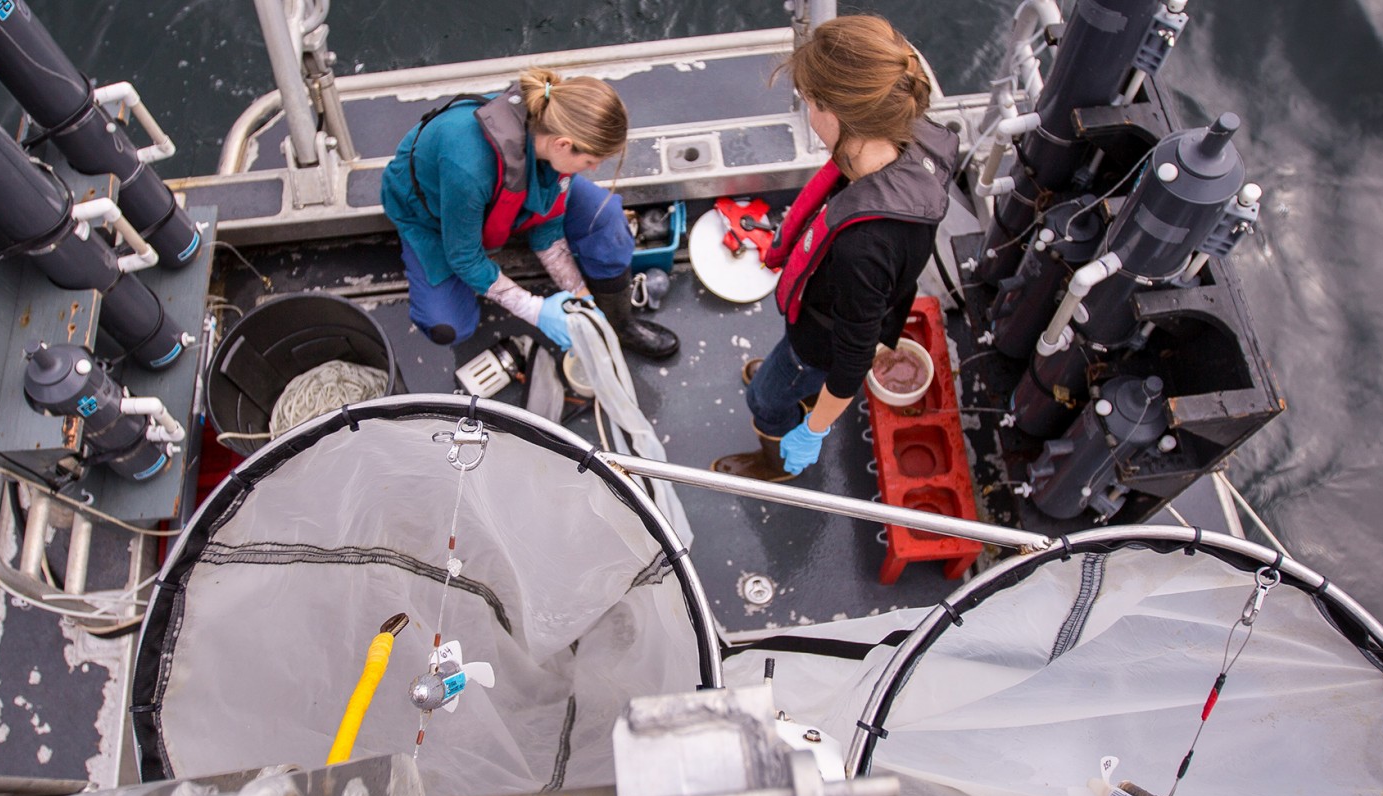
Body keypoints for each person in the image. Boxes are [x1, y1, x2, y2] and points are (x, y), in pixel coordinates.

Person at [710, 15, 955, 479]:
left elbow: (853, 358)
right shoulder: (908, 139)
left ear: (834, 114)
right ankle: (793, 378)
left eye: (808, 101)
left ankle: (777, 459)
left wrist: (815, 428)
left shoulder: (864, 248)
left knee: (764, 398)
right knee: (787, 370)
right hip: (833, 311)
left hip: (817, 344)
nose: (807, 112)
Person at [380, 68, 678, 361]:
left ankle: (619, 324)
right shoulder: (467, 167)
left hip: (506, 193)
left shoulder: (553, 138)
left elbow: (548, 230)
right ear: (563, 145)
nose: (594, 169)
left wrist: (582, 300)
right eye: (590, 161)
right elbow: (464, 257)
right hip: (435, 216)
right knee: (449, 326)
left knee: (607, 217)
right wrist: (535, 310)